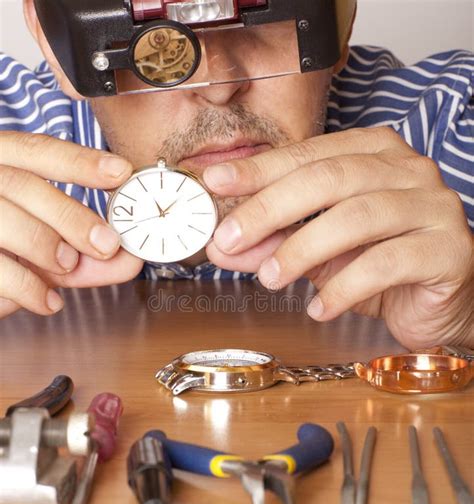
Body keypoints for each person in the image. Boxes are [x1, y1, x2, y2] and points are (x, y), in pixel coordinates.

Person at [0, 1, 472, 352]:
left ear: (340, 20)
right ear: (56, 45)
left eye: (265, 16)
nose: (221, 86)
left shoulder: (452, 122)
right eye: (154, 38)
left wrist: (466, 319)